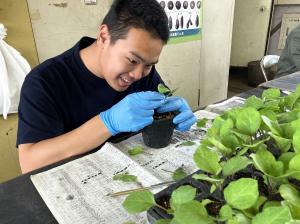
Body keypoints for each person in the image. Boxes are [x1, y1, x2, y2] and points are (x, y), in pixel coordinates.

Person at [17, 0, 196, 173]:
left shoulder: (142, 72)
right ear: (104, 36)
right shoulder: (45, 81)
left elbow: (161, 109)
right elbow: (30, 162)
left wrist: (175, 112)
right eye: (132, 60)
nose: (138, 75)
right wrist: (107, 123)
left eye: (149, 65)